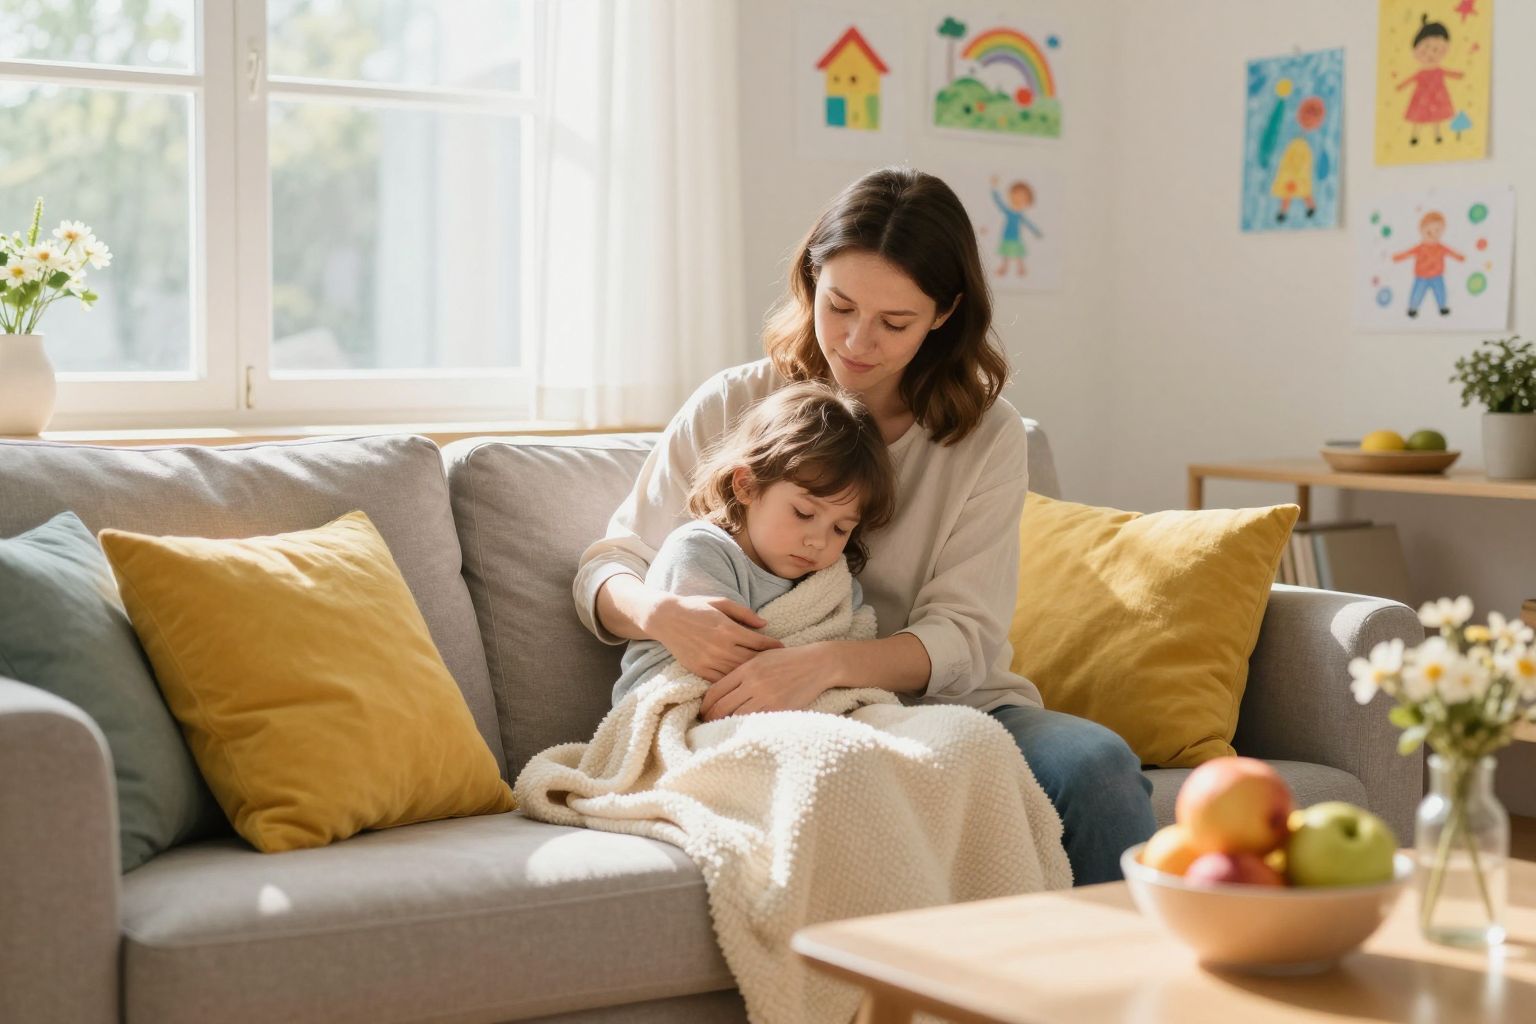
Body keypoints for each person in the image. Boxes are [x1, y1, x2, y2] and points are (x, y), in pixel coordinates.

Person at [574, 166, 1156, 884]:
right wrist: (662, 614)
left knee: (1096, 769)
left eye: (895, 322)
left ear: (944, 315)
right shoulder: (736, 403)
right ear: (810, 278)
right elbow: (609, 565)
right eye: (839, 304)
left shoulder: (986, 436)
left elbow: (965, 634)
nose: (856, 341)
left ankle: (1094, 993)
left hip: (944, 706)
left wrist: (824, 664)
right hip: (776, 720)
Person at [609, 380, 896, 710]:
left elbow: (853, 652)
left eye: (841, 528)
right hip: (698, 709)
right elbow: (733, 671)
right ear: (746, 486)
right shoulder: (701, 550)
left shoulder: (832, 584)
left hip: (802, 713)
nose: (819, 541)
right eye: (803, 513)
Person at [1396, 14, 1463, 147]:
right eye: (1426, 49)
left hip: (1437, 98)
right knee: (1418, 118)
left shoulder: (1439, 71)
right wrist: (1400, 86)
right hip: (1422, 99)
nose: (1431, 54)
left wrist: (1460, 75)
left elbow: (1450, 73)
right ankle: (1415, 136)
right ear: (1416, 50)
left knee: (1436, 118)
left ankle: (1437, 136)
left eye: (1437, 49)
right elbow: (1410, 79)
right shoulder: (1421, 73)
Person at [1393, 210, 1463, 318]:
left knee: (1441, 292)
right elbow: (1408, 253)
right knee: (1417, 293)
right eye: (1429, 232)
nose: (1433, 235)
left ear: (1443, 231)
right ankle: (1413, 308)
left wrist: (1459, 257)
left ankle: (1442, 307)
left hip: (1437, 276)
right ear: (1421, 231)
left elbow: (1451, 253)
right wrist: (1397, 257)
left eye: (1437, 231)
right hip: (1421, 276)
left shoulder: (1441, 247)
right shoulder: (1420, 248)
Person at [989, 175, 1043, 277]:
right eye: (1016, 194)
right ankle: (1003, 269)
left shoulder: (1020, 214)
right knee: (1006, 254)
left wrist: (1036, 231)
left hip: (1016, 237)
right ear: (1011, 195)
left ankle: (1021, 269)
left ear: (1027, 200)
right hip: (1006, 236)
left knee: (1018, 254)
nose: (1018, 198)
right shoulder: (1008, 211)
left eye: (1022, 197)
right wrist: (994, 188)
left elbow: (1028, 223)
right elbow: (999, 202)